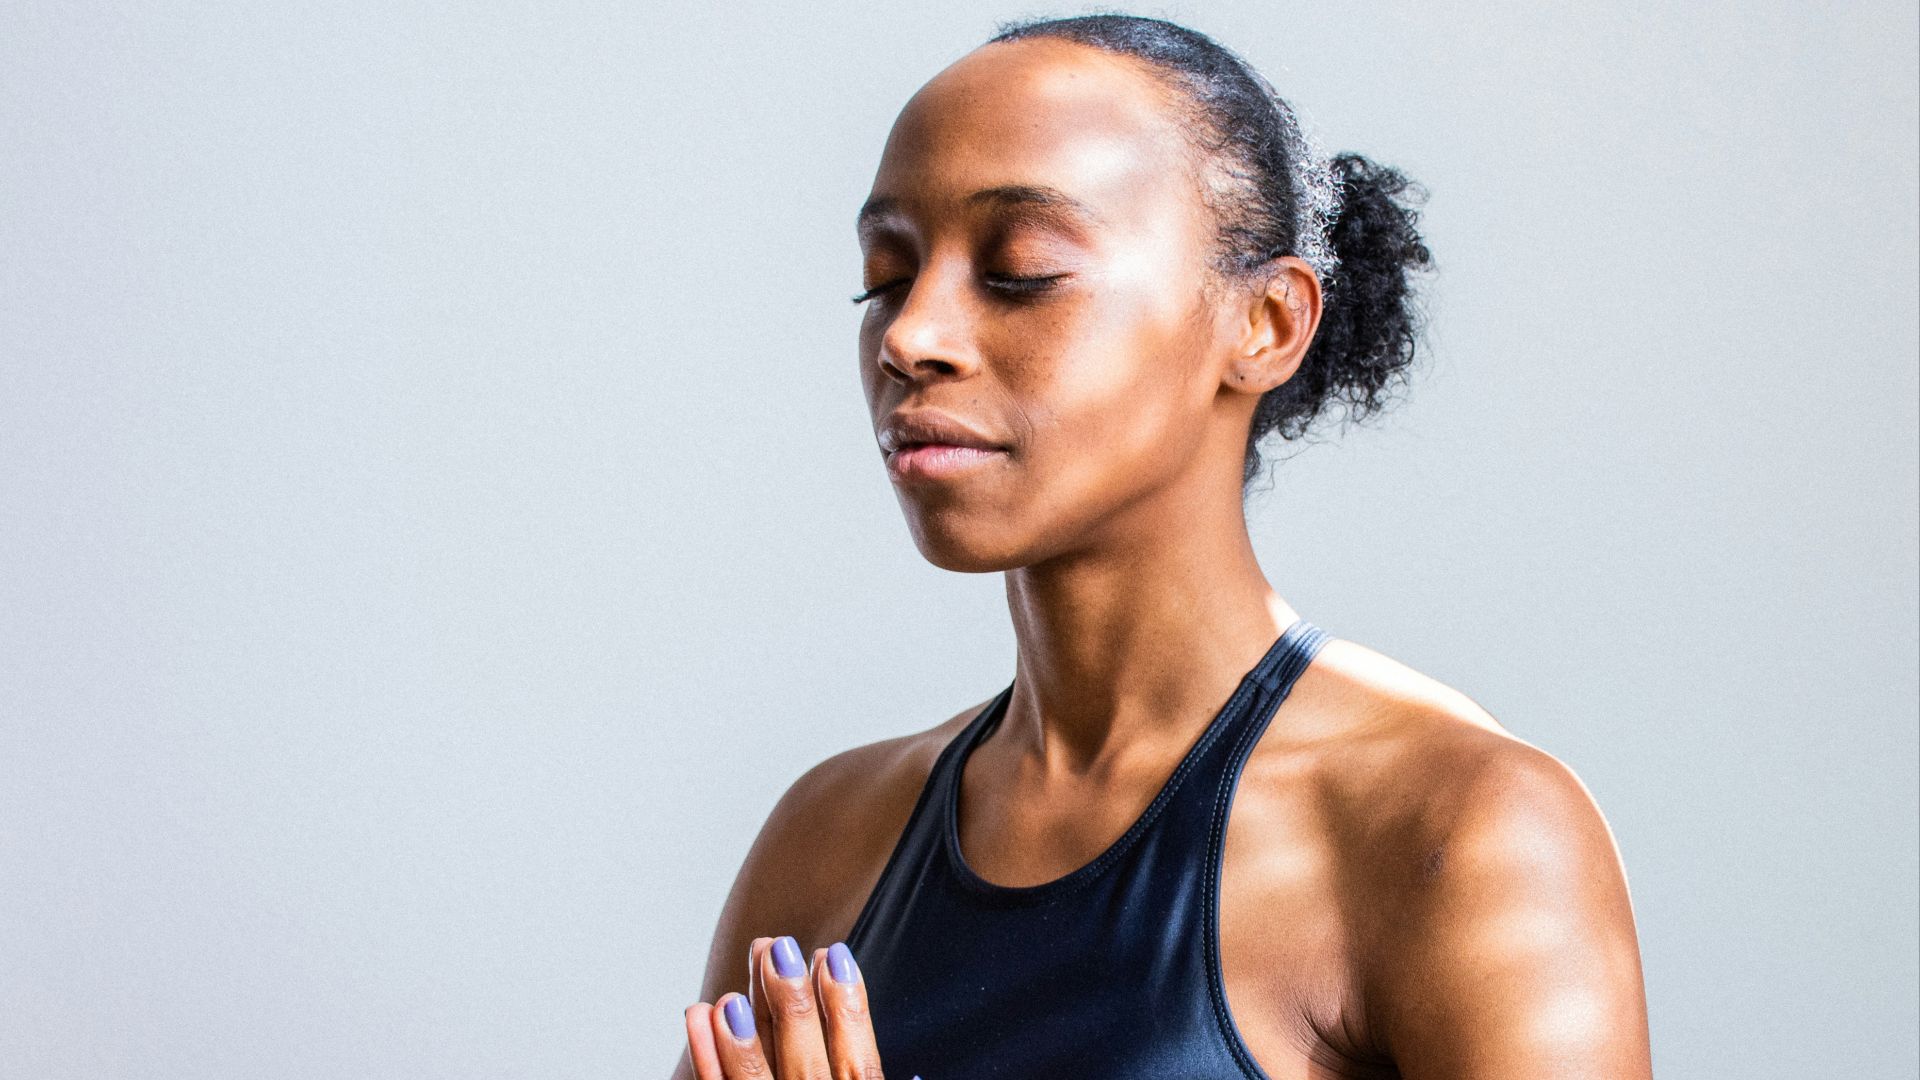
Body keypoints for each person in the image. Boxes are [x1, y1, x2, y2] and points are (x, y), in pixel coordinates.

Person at [674, 13, 1652, 1080]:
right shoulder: (828, 844)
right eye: (886, 274)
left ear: (1267, 322)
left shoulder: (1462, 835)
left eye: (1020, 270)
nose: (911, 336)